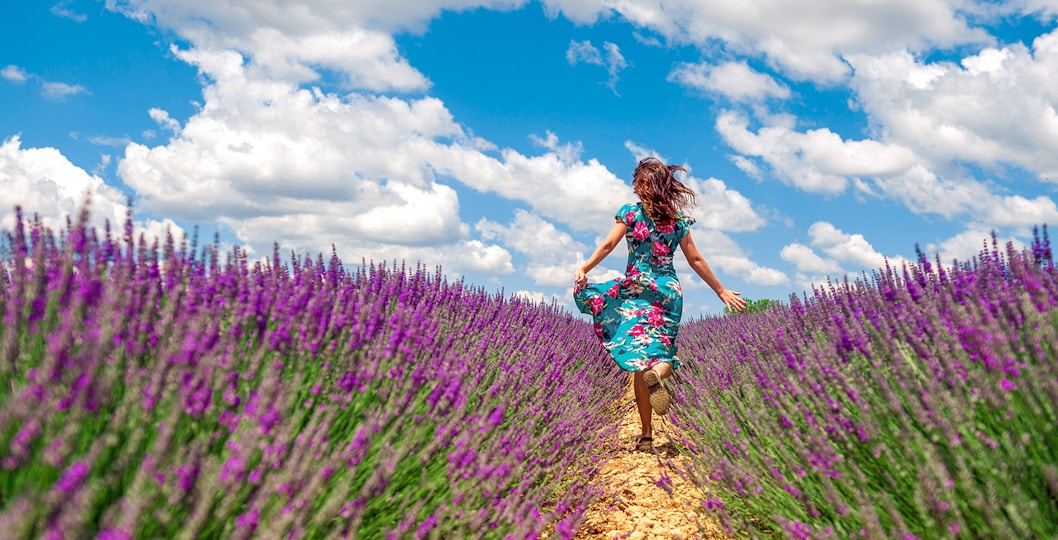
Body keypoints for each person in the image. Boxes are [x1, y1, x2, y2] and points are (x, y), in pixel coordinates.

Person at [574, 157, 747, 453]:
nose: (633, 187)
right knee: (663, 354)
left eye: (636, 182)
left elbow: (608, 245)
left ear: (647, 184)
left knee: (639, 363)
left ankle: (646, 436)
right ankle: (661, 373)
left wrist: (585, 268)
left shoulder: (630, 213)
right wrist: (720, 291)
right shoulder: (677, 221)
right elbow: (695, 259)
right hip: (667, 291)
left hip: (637, 289)